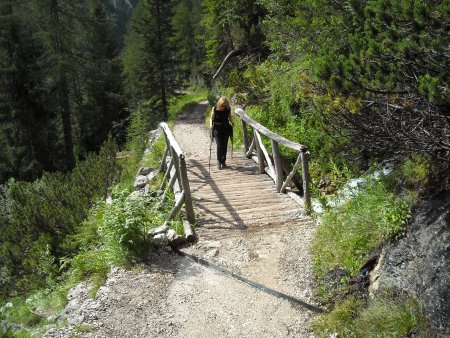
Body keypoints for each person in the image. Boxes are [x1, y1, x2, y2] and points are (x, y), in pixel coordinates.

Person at [210, 96, 233, 170]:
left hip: (226, 128)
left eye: (225, 105)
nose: (223, 107)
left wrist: (232, 122)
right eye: (222, 105)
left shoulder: (228, 108)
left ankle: (223, 161)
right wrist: (211, 125)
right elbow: (211, 118)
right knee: (219, 145)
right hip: (217, 128)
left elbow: (230, 117)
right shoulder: (215, 108)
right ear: (219, 104)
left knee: (225, 145)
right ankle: (219, 161)